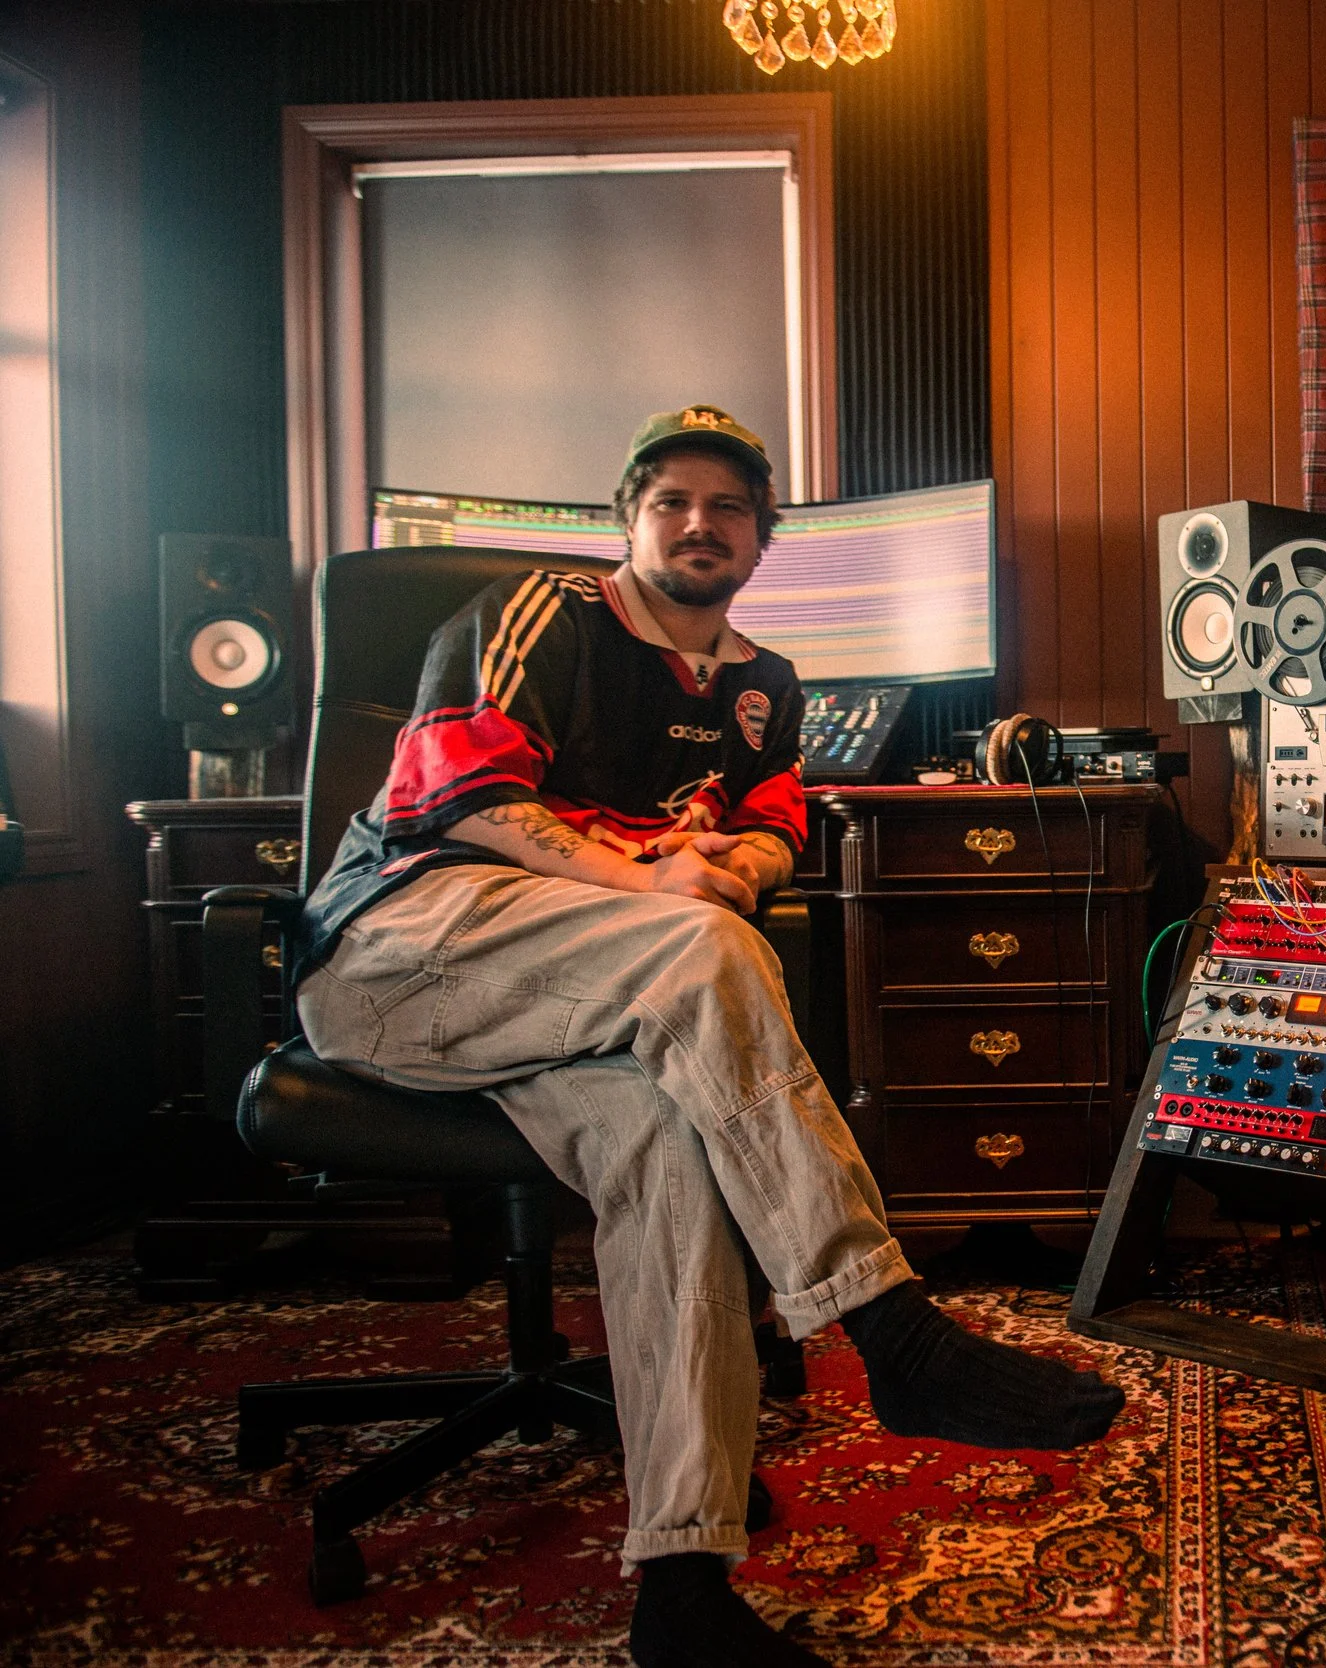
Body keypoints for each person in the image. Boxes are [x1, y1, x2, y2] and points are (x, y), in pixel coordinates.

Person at [293, 406, 1124, 1668]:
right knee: (699, 946)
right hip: (402, 959)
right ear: (627, 521)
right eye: (670, 501)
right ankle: (887, 1325)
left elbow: (778, 825)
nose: (698, 523)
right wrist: (656, 885)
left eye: (727, 506)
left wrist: (739, 863)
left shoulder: (765, 686)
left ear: (761, 536)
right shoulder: (543, 613)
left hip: (572, 1000)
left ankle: (681, 1585)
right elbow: (461, 798)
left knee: (671, 1154)